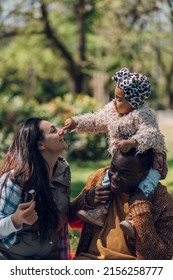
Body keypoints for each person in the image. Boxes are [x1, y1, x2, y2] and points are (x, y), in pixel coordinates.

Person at [64, 67, 168, 237]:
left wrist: (133, 142)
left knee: (146, 186)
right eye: (115, 97)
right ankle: (100, 211)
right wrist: (77, 123)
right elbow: (96, 121)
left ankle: (136, 219)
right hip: (121, 161)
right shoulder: (112, 111)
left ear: (134, 101)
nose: (114, 101)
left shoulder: (143, 114)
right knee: (108, 179)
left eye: (120, 99)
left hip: (147, 162)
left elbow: (152, 134)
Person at [69, 148, 173, 260]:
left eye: (124, 174)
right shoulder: (99, 180)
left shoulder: (162, 201)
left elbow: (161, 260)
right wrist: (87, 199)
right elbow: (70, 220)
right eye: (113, 168)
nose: (114, 177)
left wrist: (141, 211)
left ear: (144, 175)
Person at [0, 117, 71, 260]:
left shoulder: (62, 172)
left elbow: (60, 223)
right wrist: (16, 220)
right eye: (53, 131)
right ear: (40, 145)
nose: (61, 131)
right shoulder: (16, 180)